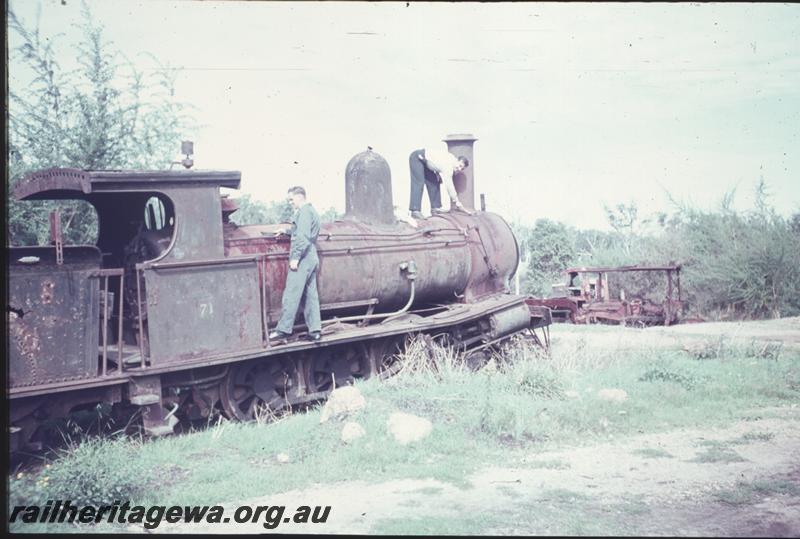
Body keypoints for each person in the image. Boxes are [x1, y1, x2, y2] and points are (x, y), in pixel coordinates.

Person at [269, 186, 322, 344]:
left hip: (303, 257)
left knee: (292, 293)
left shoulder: (304, 212)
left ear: (300, 197)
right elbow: (300, 231)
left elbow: (303, 237)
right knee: (310, 295)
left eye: (291, 199)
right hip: (312, 255)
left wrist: (295, 258)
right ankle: (315, 330)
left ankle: (283, 330)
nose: (291, 203)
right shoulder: (312, 211)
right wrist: (286, 231)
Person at [408, 145, 470, 219]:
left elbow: (436, 161)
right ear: (457, 160)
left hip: (426, 162)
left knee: (435, 181)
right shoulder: (449, 166)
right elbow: (449, 186)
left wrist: (437, 172)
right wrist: (457, 202)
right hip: (418, 157)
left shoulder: (451, 159)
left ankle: (436, 208)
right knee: (419, 182)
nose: (459, 169)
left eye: (462, 168)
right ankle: (415, 210)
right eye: (459, 165)